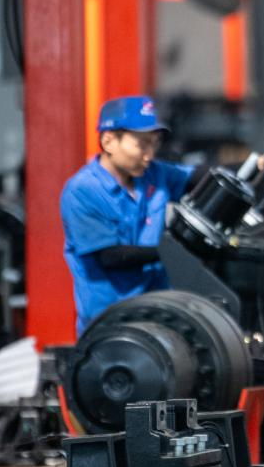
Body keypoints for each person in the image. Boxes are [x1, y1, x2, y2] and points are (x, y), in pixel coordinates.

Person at [60, 95, 198, 337]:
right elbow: (110, 256)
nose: (149, 154)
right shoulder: (83, 190)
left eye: (154, 144)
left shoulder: (154, 176)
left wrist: (261, 164)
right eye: (141, 144)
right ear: (109, 141)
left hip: (158, 317)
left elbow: (200, 177)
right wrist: (174, 250)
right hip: (110, 325)